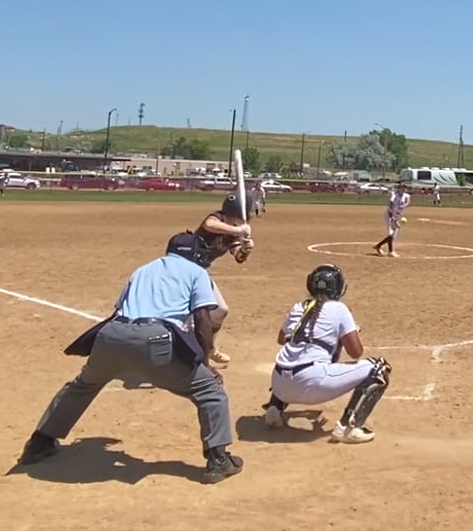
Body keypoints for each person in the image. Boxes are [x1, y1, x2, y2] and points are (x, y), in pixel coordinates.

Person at [17, 245, 245, 483]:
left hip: (111, 335)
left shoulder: (143, 269)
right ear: (195, 254)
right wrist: (204, 361)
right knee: (210, 390)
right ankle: (218, 460)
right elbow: (203, 318)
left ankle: (39, 443)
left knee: (82, 386)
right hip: (154, 340)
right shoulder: (196, 271)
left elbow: (119, 309)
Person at [259, 265, 391, 444]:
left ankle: (275, 408)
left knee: (292, 356)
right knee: (379, 369)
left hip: (279, 384)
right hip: (311, 382)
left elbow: (282, 339)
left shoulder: (300, 306)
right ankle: (349, 428)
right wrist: (345, 334)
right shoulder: (339, 309)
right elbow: (356, 353)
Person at [166, 194, 256, 367]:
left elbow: (238, 257)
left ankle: (209, 348)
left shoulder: (232, 233)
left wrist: (246, 250)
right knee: (185, 315)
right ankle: (178, 353)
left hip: (200, 273)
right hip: (182, 270)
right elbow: (209, 224)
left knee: (220, 310)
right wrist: (239, 231)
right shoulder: (217, 218)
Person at [372, 183, 411, 257]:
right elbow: (391, 204)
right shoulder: (394, 195)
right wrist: (393, 218)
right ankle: (390, 252)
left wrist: (403, 205)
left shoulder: (406, 195)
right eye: (401, 188)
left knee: (393, 235)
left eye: (404, 188)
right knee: (391, 234)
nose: (403, 189)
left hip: (397, 216)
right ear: (398, 188)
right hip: (390, 215)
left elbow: (408, 202)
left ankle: (378, 246)